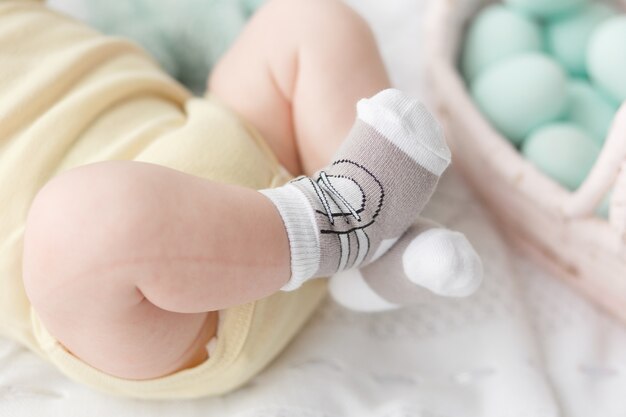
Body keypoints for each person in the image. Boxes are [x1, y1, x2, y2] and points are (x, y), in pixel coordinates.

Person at [0, 0, 481, 399]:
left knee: (307, 19)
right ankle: (348, 221)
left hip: (229, 139)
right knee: (83, 219)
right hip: (155, 303)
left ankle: (372, 252)